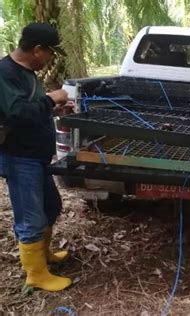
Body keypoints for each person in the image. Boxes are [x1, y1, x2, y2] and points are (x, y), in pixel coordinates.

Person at [0, 22, 74, 292]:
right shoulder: (5, 73)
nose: (51, 59)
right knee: (31, 217)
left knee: (51, 207)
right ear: (36, 49)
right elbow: (17, 113)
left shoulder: (27, 72)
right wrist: (51, 99)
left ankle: (43, 257)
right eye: (50, 54)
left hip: (36, 156)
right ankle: (36, 275)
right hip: (19, 158)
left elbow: (31, 112)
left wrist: (56, 109)